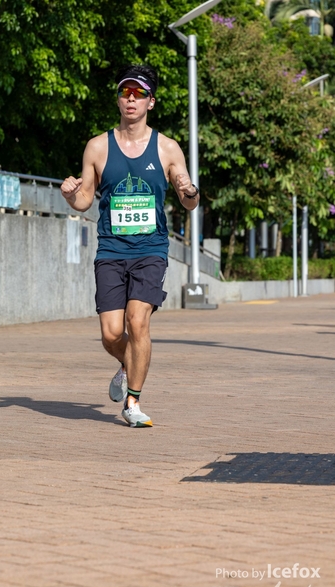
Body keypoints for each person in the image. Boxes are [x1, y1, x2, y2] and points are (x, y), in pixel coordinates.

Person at [61, 64, 199, 428]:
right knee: (111, 334)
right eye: (125, 92)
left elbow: (188, 200)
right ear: (119, 100)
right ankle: (128, 362)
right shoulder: (97, 147)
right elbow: (85, 200)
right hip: (111, 250)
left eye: (139, 93)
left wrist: (189, 191)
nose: (131, 99)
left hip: (150, 250)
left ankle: (133, 402)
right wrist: (70, 195)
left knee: (138, 322)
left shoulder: (167, 148)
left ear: (151, 102)